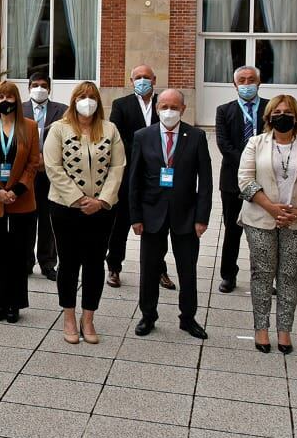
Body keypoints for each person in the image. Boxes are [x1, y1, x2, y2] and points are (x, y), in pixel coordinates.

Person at [236, 94, 297, 354]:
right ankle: (261, 329)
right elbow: (245, 180)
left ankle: (284, 330)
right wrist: (272, 208)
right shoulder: (255, 143)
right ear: (269, 117)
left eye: (287, 112)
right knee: (262, 274)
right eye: (277, 112)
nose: (282, 116)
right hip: (261, 219)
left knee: (289, 275)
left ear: (296, 117)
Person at [43, 82, 124, 345]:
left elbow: (117, 166)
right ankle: (68, 316)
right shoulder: (59, 129)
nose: (86, 101)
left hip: (101, 210)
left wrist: (101, 201)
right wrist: (78, 199)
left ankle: (88, 318)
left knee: (94, 263)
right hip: (66, 208)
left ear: (98, 101)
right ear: (73, 100)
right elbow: (53, 167)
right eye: (82, 97)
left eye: (91, 97)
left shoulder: (110, 129)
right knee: (68, 263)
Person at [128, 88, 213, 340]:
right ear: (156, 108)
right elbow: (134, 180)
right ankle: (148, 316)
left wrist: (202, 217)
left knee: (187, 269)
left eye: (174, 107)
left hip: (186, 215)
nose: (168, 111)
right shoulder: (143, 136)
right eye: (164, 106)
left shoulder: (196, 136)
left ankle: (188, 318)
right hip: (151, 213)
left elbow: (205, 181)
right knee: (149, 268)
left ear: (183, 110)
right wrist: (135, 217)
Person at [0, 80, 42, 323]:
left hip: (21, 199)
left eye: (9, 96)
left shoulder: (30, 127)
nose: (5, 101)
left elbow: (33, 163)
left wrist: (16, 189)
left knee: (18, 253)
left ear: (17, 98)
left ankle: (15, 303)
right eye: (0, 97)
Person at [107, 64, 173, 290]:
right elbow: (116, 135)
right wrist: (140, 154)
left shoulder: (163, 104)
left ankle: (160, 269)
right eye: (138, 77)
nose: (142, 80)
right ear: (130, 80)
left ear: (154, 80)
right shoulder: (121, 105)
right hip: (129, 174)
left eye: (146, 77)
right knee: (121, 223)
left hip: (157, 175)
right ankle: (114, 266)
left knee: (158, 226)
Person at [214, 66, 269, 293]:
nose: (247, 84)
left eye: (251, 80)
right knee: (232, 229)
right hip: (232, 180)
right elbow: (224, 145)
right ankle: (228, 274)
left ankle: (265, 276)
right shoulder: (224, 110)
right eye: (242, 81)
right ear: (235, 85)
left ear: (259, 82)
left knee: (265, 231)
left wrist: (262, 164)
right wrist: (249, 163)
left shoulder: (270, 108)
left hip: (266, 178)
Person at [21, 73, 66, 280]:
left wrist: (46, 160)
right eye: (36, 85)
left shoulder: (62, 110)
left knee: (49, 219)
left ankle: (48, 263)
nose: (40, 89)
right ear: (29, 87)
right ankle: (26, 261)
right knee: (27, 217)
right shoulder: (19, 109)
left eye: (44, 85)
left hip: (51, 174)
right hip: (26, 173)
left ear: (50, 88)